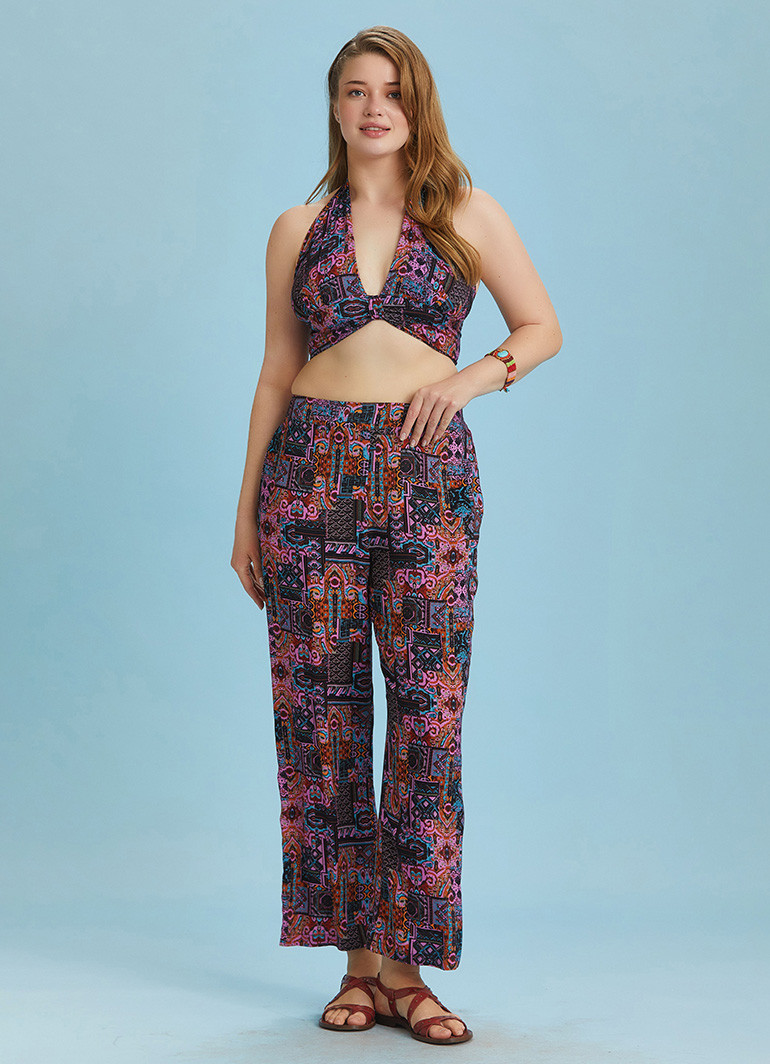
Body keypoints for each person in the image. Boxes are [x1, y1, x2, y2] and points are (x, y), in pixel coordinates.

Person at [231, 25, 562, 1045]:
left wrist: (468, 380)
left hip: (427, 478)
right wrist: (244, 513)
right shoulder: (297, 227)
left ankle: (410, 969)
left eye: (393, 92)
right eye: (355, 91)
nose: (375, 108)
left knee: (426, 714)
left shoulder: (464, 212)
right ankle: (357, 966)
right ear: (334, 107)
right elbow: (276, 368)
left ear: (418, 107)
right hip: (309, 475)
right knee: (321, 717)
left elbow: (541, 326)